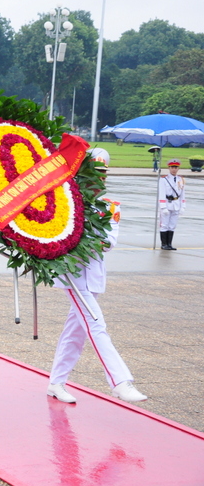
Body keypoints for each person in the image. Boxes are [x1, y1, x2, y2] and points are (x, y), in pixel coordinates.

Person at [47, 148, 147, 404]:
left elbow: (108, 242)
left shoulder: (109, 207)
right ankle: (120, 382)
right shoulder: (67, 203)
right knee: (95, 324)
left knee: (75, 333)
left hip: (93, 276)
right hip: (72, 275)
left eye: (102, 174)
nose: (99, 179)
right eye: (94, 173)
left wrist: (83, 236)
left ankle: (56, 383)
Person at [159, 159, 186, 251]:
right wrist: (163, 207)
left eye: (176, 167)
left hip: (176, 204)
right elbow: (161, 193)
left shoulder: (181, 179)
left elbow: (182, 194)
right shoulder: (164, 179)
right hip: (167, 204)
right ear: (169, 168)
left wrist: (183, 206)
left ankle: (169, 244)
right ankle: (164, 244)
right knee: (164, 225)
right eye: (172, 167)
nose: (174, 169)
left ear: (178, 168)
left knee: (172, 225)